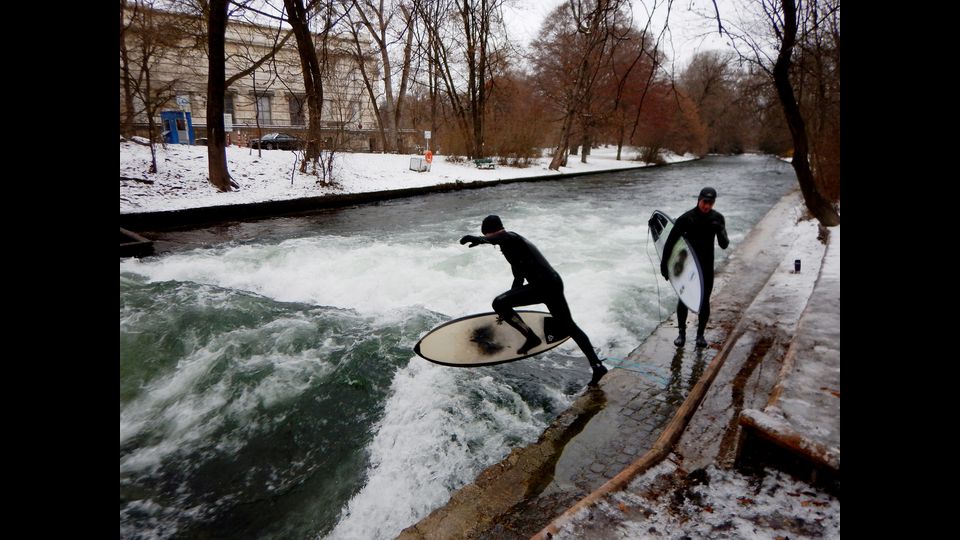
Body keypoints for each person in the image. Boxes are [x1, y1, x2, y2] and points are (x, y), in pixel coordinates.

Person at [460, 215, 608, 386]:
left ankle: (531, 337)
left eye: (489, 237)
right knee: (569, 326)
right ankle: (597, 366)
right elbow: (518, 280)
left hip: (543, 286)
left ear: (491, 233)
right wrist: (506, 311)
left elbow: (503, 237)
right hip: (551, 283)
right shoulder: (513, 249)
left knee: (498, 302)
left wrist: (480, 239)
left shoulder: (512, 238)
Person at [660, 187, 730, 348]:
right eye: (705, 202)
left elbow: (724, 245)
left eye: (710, 203)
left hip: (706, 266)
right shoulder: (686, 218)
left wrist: (720, 230)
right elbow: (670, 243)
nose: (707, 206)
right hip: (687, 267)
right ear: (699, 199)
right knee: (683, 299)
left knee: (704, 300)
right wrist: (664, 265)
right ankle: (681, 334)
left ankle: (700, 335)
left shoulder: (717, 218)